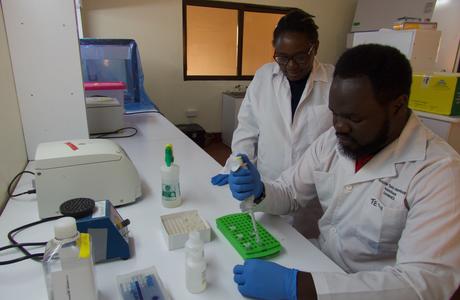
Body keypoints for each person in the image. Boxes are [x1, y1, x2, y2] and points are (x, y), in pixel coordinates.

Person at [228, 44, 460, 299]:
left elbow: (422, 284)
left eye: (353, 118)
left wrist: (298, 287)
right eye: (334, 114)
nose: (338, 127)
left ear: (397, 106)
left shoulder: (439, 172)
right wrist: (260, 190)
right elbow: (291, 192)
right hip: (321, 263)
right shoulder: (332, 141)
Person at [212, 9, 333, 238]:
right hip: (268, 188)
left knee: (307, 251)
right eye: (283, 57)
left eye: (300, 56)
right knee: (270, 240)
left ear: (314, 47)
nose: (291, 66)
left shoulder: (333, 83)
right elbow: (247, 129)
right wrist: (236, 166)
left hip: (312, 199)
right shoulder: (264, 77)